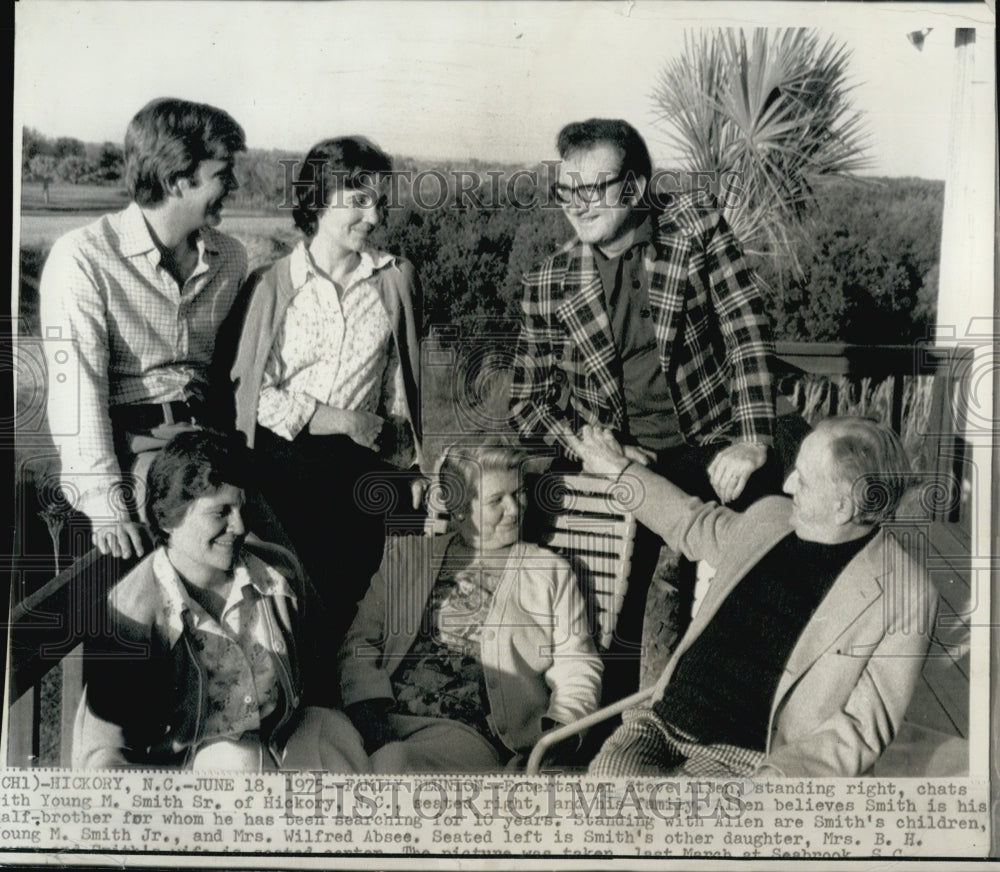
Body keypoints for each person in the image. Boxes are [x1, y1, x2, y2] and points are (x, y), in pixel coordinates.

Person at [508, 117, 780, 688]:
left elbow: (746, 328)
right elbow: (528, 405)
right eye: (567, 191)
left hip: (711, 448)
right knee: (624, 606)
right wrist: (583, 444)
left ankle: (737, 715)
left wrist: (752, 439)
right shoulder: (550, 281)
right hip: (623, 467)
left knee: (762, 569)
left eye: (595, 189)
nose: (578, 206)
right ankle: (620, 739)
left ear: (634, 187)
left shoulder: (695, 229)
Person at [562, 417, 938, 777]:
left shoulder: (902, 593)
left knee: (670, 824)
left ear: (844, 507)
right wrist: (618, 470)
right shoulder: (772, 518)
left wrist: (778, 778)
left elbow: (863, 726)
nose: (788, 485)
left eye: (803, 480)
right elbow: (688, 521)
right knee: (608, 790)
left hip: (751, 760)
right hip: (659, 724)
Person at [72, 430, 368, 772]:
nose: (240, 526)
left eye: (243, 507)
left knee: (329, 729)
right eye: (220, 512)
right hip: (190, 780)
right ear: (169, 517)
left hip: (281, 745)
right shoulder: (134, 612)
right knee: (238, 758)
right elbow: (105, 754)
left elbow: (323, 665)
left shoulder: (277, 571)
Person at [230, 136, 423, 643]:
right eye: (359, 201)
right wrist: (339, 419)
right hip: (281, 476)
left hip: (359, 478)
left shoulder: (395, 279)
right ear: (318, 199)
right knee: (286, 617)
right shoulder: (270, 285)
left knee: (350, 621)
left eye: (380, 203)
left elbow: (397, 391)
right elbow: (253, 398)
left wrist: (406, 466)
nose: (374, 217)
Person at [40, 98, 249, 562]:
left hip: (210, 443)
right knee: (225, 559)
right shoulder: (85, 258)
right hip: (137, 451)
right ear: (178, 180)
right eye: (223, 173)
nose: (233, 185)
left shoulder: (230, 258)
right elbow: (75, 389)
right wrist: (106, 506)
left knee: (281, 560)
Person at [338, 442, 602, 773]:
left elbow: (576, 663)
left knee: (395, 764)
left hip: (464, 736)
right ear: (460, 508)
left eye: (519, 493)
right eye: (497, 500)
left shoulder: (548, 572)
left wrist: (559, 732)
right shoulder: (407, 556)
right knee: (313, 733)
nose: (515, 509)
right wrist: (367, 711)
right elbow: (361, 641)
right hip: (381, 723)